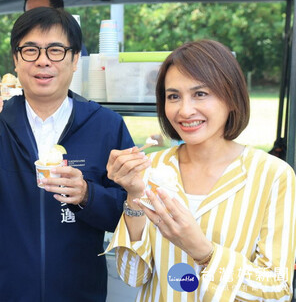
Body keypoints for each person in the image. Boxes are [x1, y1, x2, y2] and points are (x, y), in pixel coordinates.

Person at [0, 7, 135, 301]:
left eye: (56, 50)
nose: (43, 61)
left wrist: (87, 195)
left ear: (74, 59)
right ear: (16, 60)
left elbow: (128, 213)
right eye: (30, 50)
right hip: (8, 291)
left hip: (81, 293)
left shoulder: (106, 125)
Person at [105, 40, 296, 301]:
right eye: (173, 96)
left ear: (231, 97)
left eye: (200, 94)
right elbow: (131, 276)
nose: (184, 110)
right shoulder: (152, 169)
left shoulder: (273, 176)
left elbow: (277, 290)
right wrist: (133, 196)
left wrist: (204, 251)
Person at [24, 0, 88, 56]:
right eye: (28, 14)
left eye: (40, 13)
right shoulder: (24, 45)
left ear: (59, 13)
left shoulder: (71, 44)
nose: (33, 19)